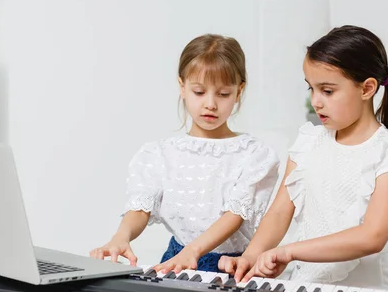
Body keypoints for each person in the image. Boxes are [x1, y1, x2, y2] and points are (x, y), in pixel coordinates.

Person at [219, 25, 388, 290]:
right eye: (310, 89)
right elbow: (279, 212)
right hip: (310, 288)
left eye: (328, 90)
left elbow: (372, 237)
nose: (316, 101)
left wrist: (290, 251)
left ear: (367, 88)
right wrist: (251, 256)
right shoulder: (308, 141)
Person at [90, 34, 280, 273]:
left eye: (223, 94)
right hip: (177, 262)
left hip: (231, 266)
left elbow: (234, 217)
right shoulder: (160, 154)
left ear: (239, 91)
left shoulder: (253, 155)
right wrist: (122, 236)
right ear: (182, 87)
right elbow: (141, 207)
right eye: (199, 92)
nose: (210, 104)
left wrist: (193, 250)